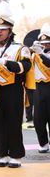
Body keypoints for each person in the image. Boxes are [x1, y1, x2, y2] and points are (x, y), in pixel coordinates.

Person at [0, 2, 31, 168]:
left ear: (10, 31)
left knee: (13, 122)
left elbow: (25, 67)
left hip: (13, 89)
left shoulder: (20, 49)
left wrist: (5, 62)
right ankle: (1, 154)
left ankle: (16, 155)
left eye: (2, 30)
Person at [30, 23, 50, 153]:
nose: (45, 45)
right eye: (44, 43)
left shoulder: (41, 54)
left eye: (48, 43)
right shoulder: (35, 54)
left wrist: (41, 54)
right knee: (38, 118)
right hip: (38, 87)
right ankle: (43, 143)